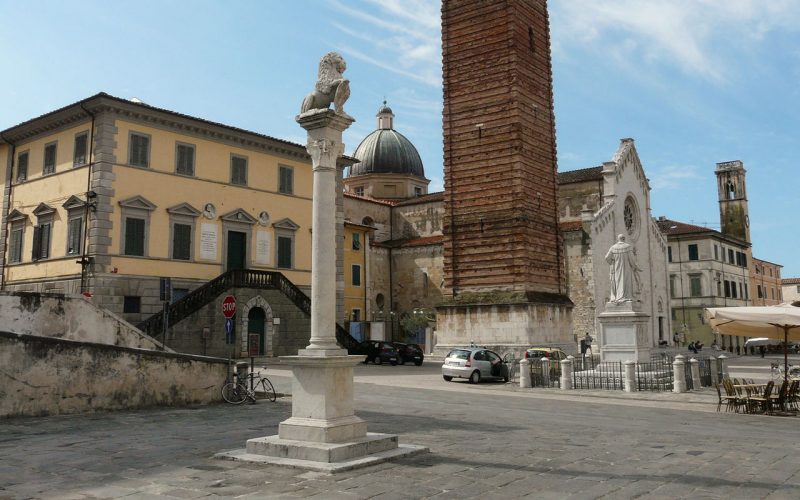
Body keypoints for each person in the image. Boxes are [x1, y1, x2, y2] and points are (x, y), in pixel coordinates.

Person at [605, 234, 642, 303]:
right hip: (626, 269)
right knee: (626, 282)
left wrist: (612, 262)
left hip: (616, 269)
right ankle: (626, 296)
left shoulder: (613, 247)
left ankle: (618, 297)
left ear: (618, 239)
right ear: (624, 239)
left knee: (618, 282)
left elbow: (607, 257)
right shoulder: (627, 247)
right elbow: (632, 259)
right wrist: (635, 267)